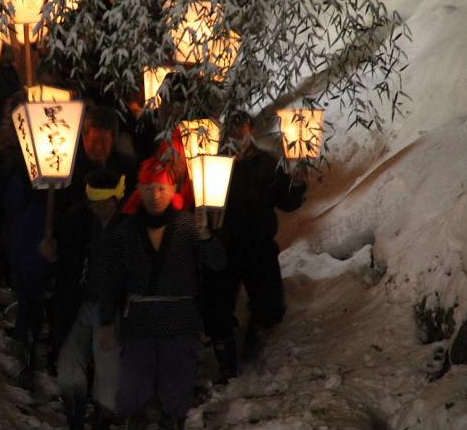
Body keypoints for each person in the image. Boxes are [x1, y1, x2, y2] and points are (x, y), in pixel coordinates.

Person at [98, 158, 225, 429]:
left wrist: (207, 236)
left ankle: (173, 420)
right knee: (134, 385)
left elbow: (217, 263)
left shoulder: (189, 226)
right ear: (139, 190)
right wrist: (107, 320)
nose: (155, 195)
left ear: (173, 191)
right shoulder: (126, 231)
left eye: (162, 188)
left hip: (179, 318)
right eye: (149, 188)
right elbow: (112, 278)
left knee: (176, 385)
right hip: (139, 320)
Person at [203, 114, 307, 381]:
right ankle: (227, 365)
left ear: (251, 131)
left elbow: (286, 201)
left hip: (258, 245)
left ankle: (252, 351)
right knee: (217, 308)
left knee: (270, 305)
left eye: (242, 130)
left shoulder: (267, 164)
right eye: (233, 131)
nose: (238, 136)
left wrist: (297, 184)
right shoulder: (214, 163)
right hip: (224, 246)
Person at [45, 170, 126, 430]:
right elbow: (65, 263)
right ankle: (75, 416)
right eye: (96, 204)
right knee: (69, 362)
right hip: (77, 303)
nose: (101, 209)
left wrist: (111, 317)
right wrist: (52, 252)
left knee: (108, 367)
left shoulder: (128, 230)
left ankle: (104, 416)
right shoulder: (75, 221)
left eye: (107, 203)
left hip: (111, 307)